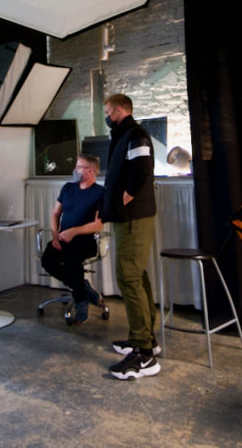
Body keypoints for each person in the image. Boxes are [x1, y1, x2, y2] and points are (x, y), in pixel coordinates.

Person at [100, 93, 160, 379]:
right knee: (137, 273)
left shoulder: (136, 134)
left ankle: (144, 352)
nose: (107, 116)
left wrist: (124, 199)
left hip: (134, 216)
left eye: (109, 111)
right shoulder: (124, 135)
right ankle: (146, 337)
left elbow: (142, 171)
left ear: (122, 109)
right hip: (127, 217)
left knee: (129, 275)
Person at [40, 154, 105, 324]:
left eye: (79, 166)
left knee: (71, 258)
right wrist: (55, 235)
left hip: (85, 240)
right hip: (62, 238)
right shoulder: (68, 188)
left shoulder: (100, 193)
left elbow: (98, 225)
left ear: (90, 171)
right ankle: (83, 288)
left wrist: (74, 231)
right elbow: (55, 214)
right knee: (47, 260)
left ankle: (80, 300)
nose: (75, 170)